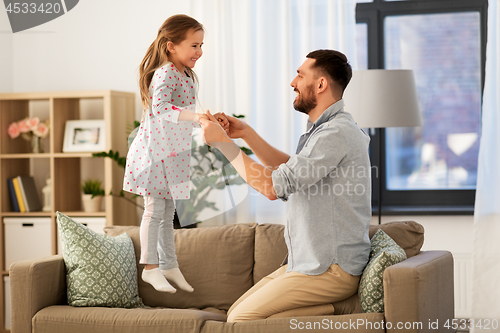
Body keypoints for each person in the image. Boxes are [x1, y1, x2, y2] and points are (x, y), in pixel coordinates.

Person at [200, 49, 371, 321]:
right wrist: (245, 133)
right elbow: (289, 169)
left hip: (330, 269)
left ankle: (341, 306)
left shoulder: (335, 133)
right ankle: (336, 308)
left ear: (321, 84)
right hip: (310, 265)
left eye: (300, 75)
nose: (293, 82)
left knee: (240, 320)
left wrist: (223, 144)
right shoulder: (324, 130)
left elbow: (272, 187)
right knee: (234, 312)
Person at [123, 14, 227, 293]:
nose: (200, 51)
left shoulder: (187, 75)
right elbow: (161, 109)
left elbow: (183, 112)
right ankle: (150, 267)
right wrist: (196, 117)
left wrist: (206, 118)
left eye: (201, 45)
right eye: (194, 45)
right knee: (155, 210)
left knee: (169, 213)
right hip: (154, 152)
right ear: (171, 46)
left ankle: (169, 264)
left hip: (174, 152)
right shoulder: (166, 72)